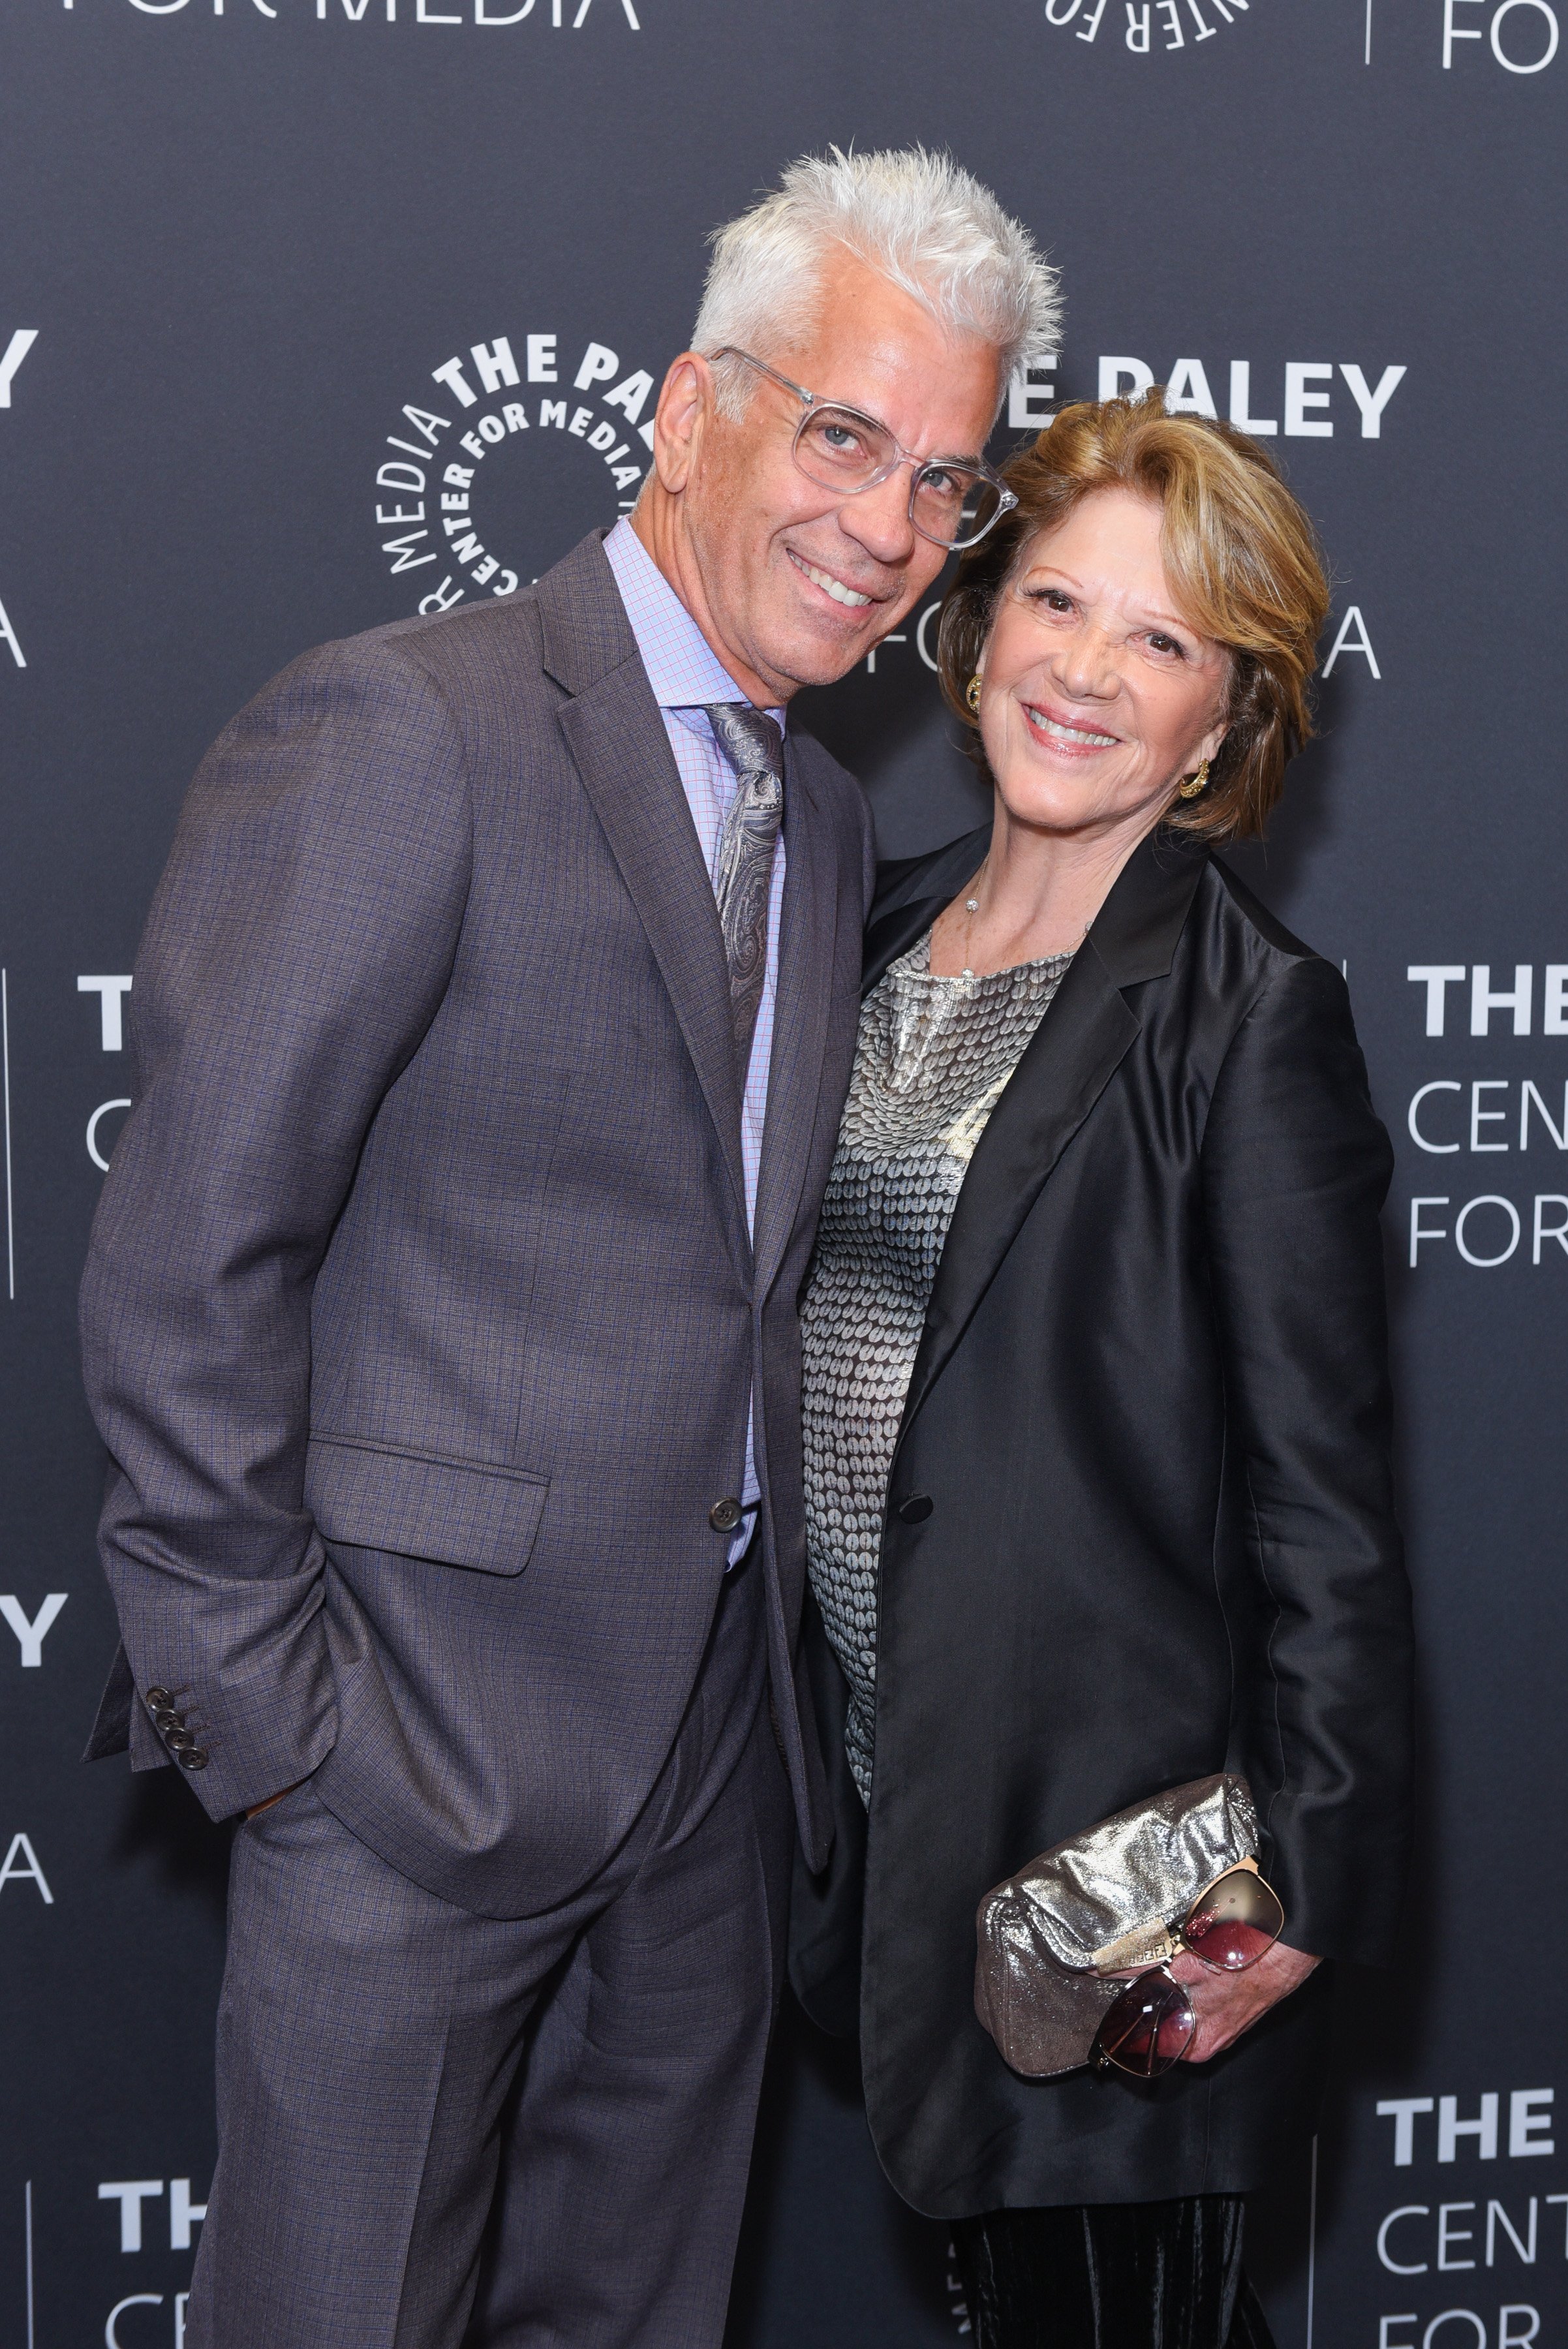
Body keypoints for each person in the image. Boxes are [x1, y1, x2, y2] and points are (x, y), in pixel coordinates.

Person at [78, 151, 1060, 2348]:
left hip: (709, 1784)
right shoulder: (401, 732)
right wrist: (284, 1732)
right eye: (842, 437)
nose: (893, 530)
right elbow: (188, 1268)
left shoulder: (814, 813)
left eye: (947, 482)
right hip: (405, 1759)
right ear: (686, 410)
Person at [791, 391, 1415, 2349]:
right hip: (869, 1820)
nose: (1084, 669)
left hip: (1114, 1893)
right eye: (1055, 602)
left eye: (1161, 640)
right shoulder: (858, 933)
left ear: (1225, 719)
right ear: (974, 629)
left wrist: (1288, 1900)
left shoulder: (1250, 1019)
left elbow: (1326, 1512)